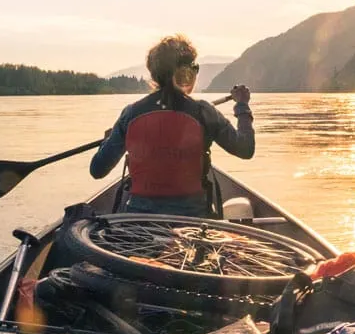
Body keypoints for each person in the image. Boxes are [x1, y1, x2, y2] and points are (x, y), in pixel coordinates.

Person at [90, 35, 253, 216]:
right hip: (194, 221)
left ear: (154, 74)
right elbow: (245, 149)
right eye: (195, 69)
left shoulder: (130, 114)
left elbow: (97, 170)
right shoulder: (204, 112)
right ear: (188, 72)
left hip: (137, 222)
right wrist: (242, 105)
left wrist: (107, 143)